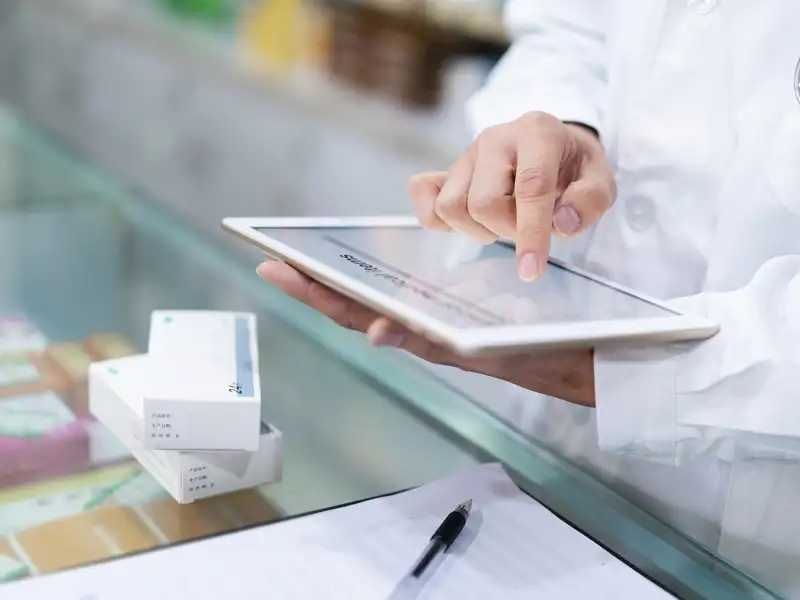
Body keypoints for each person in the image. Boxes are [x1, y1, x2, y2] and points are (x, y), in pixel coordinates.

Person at [258, 1, 800, 595]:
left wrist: (615, 365)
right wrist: (561, 127)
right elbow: (563, 31)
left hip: (758, 540)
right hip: (554, 463)